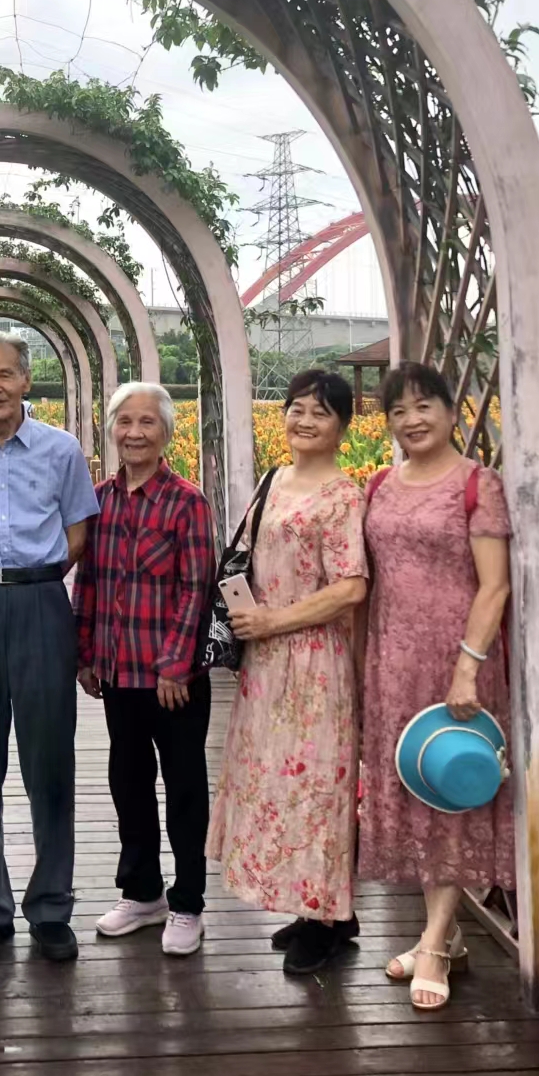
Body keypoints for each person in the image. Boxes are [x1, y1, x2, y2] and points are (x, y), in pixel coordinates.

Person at [0, 331, 99, 965]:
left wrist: (35, 580)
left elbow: (78, 532)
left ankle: (51, 907)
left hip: (41, 604)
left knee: (49, 764)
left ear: (27, 381)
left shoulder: (62, 449)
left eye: (6, 373)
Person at [359, 361, 513, 1011]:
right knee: (419, 793)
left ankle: (431, 946)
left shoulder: (477, 484)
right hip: (391, 663)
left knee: (452, 795)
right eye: (398, 411)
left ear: (452, 412)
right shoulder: (378, 485)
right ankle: (443, 935)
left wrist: (467, 666)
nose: (411, 420)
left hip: (456, 664)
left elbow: (494, 585)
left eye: (424, 406)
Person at [206, 370, 369, 977]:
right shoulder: (274, 479)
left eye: (320, 413)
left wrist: (275, 621)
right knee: (277, 783)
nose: (304, 421)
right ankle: (316, 908)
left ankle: (328, 920)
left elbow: (351, 586)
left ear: (342, 427)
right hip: (266, 661)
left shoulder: (344, 495)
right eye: (296, 408)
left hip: (314, 661)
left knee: (317, 786)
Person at [74, 383, 216, 956]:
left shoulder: (187, 502)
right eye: (124, 422)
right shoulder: (99, 501)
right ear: (112, 429)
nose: (134, 432)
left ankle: (188, 902)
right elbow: (88, 581)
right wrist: (85, 653)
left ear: (166, 433)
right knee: (128, 784)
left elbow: (196, 588)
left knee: (184, 788)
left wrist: (176, 666)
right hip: (118, 672)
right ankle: (142, 892)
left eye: (147, 422)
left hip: (171, 680)